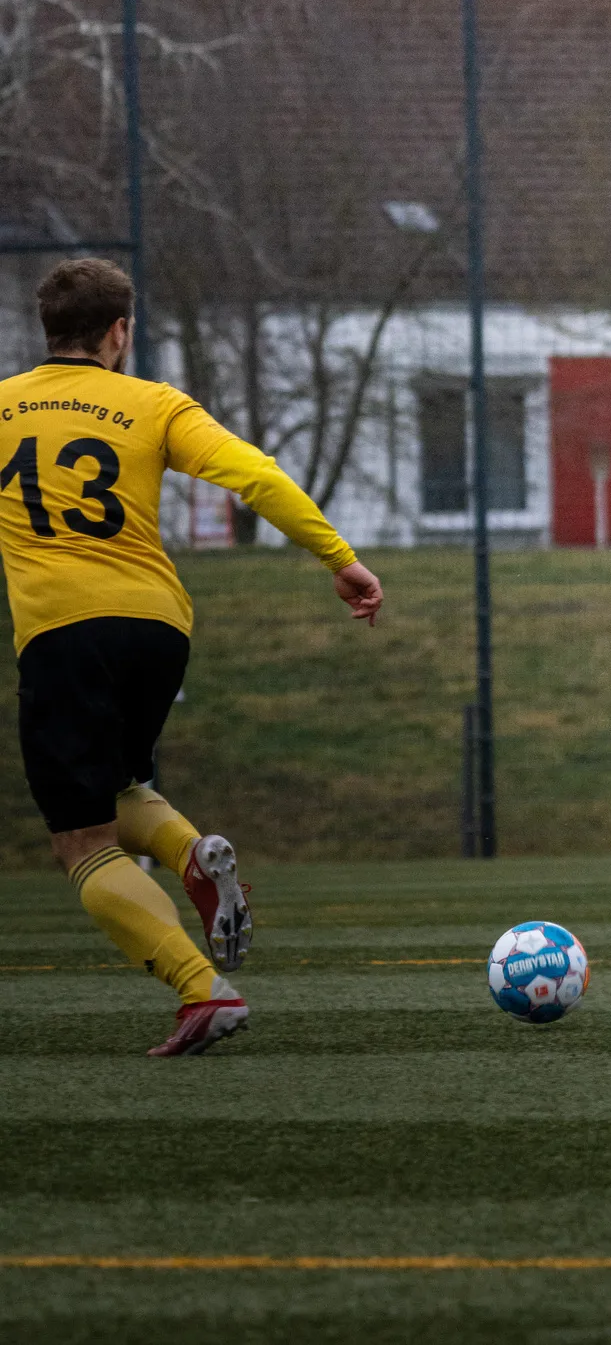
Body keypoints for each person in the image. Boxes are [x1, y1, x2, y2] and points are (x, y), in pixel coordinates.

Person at [0, 258, 383, 1055]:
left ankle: (200, 988)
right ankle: (190, 853)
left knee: (81, 841)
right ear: (120, 331)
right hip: (159, 627)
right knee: (119, 789)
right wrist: (339, 558)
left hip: (62, 632)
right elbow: (256, 475)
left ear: (48, 330)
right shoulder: (155, 403)